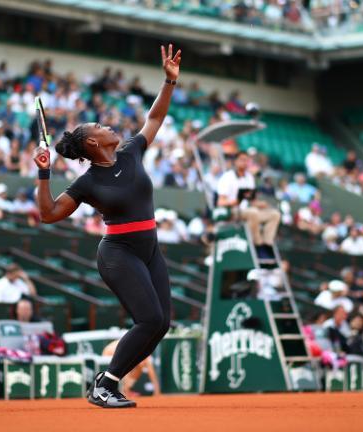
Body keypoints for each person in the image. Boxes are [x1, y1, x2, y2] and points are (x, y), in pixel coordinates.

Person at [32, 44, 181, 409]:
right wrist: (43, 173)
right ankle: (106, 384)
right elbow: (49, 213)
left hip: (149, 248)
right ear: (93, 142)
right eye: (101, 126)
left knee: (161, 323)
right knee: (148, 318)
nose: (109, 125)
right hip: (118, 253)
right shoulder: (86, 183)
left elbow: (155, 119)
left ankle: (108, 383)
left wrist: (168, 81)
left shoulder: (131, 150)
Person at [216, 150, 281, 258]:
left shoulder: (249, 177)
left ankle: (267, 244)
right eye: (241, 160)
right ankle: (258, 245)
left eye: (246, 160)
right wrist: (236, 201)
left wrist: (261, 204)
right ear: (235, 162)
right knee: (253, 212)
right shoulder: (227, 177)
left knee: (274, 214)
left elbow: (251, 200)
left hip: (247, 211)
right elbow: (220, 202)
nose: (244, 163)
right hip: (232, 211)